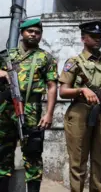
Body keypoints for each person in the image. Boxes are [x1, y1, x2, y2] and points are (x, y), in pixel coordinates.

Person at [58, 20, 101, 192]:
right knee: (78, 162)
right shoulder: (74, 62)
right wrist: (81, 90)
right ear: (83, 39)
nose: (97, 40)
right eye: (93, 36)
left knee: (99, 161)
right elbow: (62, 91)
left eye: (99, 36)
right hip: (80, 113)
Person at [0, 18, 58, 192]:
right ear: (22, 32)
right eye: (30, 31)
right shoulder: (6, 56)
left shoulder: (45, 58)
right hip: (4, 111)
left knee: (33, 155)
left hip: (31, 112)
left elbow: (52, 86)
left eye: (37, 32)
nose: (33, 34)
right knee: (2, 155)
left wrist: (49, 114)